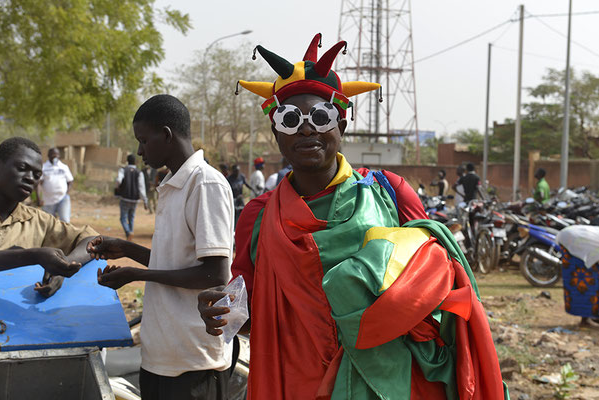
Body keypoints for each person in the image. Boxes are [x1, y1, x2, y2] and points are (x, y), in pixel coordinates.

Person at [198, 34, 507, 399]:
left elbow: (433, 283)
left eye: (321, 117)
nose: (307, 128)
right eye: (290, 119)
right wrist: (220, 312)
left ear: (341, 127)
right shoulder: (259, 215)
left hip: (387, 379)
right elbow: (250, 313)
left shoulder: (390, 192)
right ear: (276, 134)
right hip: (297, 381)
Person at [87, 94, 234, 400]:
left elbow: (213, 274)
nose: (139, 150)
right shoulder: (172, 185)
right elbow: (177, 261)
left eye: (143, 140)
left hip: (191, 359)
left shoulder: (205, 184)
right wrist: (127, 248)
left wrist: (136, 275)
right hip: (162, 352)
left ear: (166, 135)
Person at [0, 137, 98, 297]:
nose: (30, 178)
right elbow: (33, 256)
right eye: (22, 167)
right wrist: (31, 256)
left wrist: (62, 268)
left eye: (37, 175)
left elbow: (93, 240)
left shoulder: (37, 220)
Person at [116, 154, 148, 241]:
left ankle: (128, 232)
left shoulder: (123, 170)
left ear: (127, 161)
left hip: (124, 198)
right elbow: (141, 188)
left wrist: (117, 187)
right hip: (135, 199)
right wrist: (145, 200)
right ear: (136, 162)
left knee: (123, 218)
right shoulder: (139, 172)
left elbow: (119, 180)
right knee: (131, 217)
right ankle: (130, 232)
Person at [37, 147, 74, 223]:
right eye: (53, 154)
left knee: (65, 221)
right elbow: (38, 184)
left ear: (59, 156)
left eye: (56, 154)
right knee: (48, 223)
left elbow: (70, 181)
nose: (55, 156)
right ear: (48, 155)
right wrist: (38, 198)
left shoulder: (64, 167)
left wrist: (66, 193)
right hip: (48, 200)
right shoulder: (43, 167)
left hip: (62, 198)